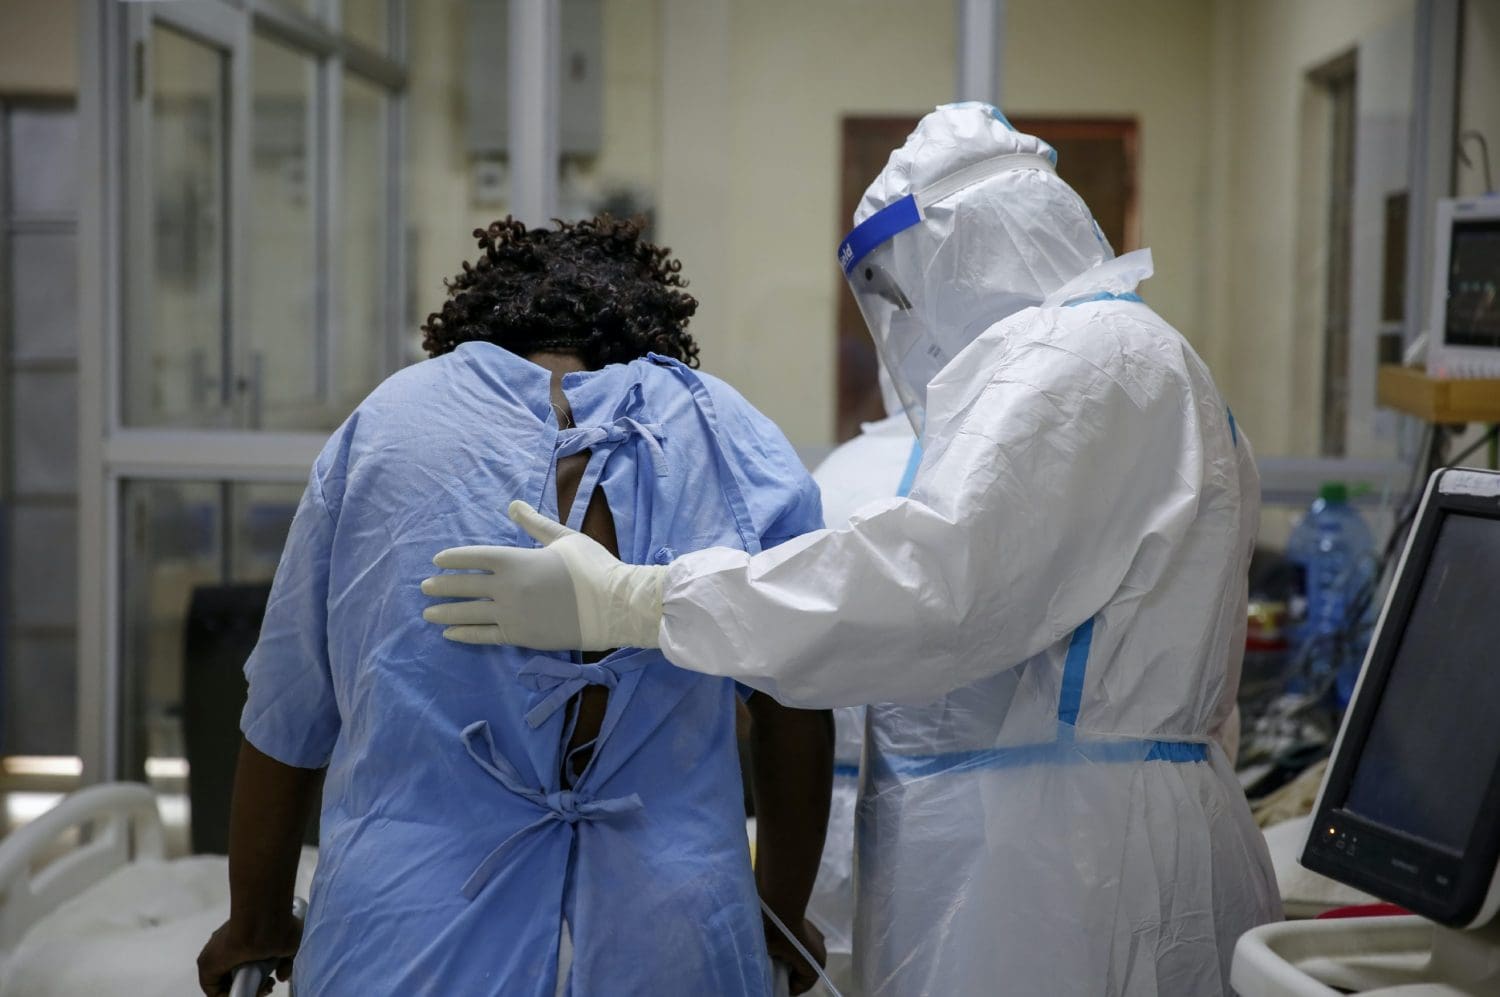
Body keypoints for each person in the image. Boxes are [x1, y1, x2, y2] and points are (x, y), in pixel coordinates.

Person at [420, 105, 1283, 995]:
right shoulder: (1121, 358)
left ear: (968, 249)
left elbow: (932, 585)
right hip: (1055, 845)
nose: (904, 319)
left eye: (902, 289)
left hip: (1072, 877)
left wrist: (640, 601)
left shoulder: (1080, 363)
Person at [198, 217, 833, 996]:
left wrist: (255, 923)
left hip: (408, 941)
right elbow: (797, 702)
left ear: (476, 320)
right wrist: (779, 915)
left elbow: (287, 713)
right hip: (673, 944)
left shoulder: (386, 428)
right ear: (653, 321)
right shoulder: (730, 434)